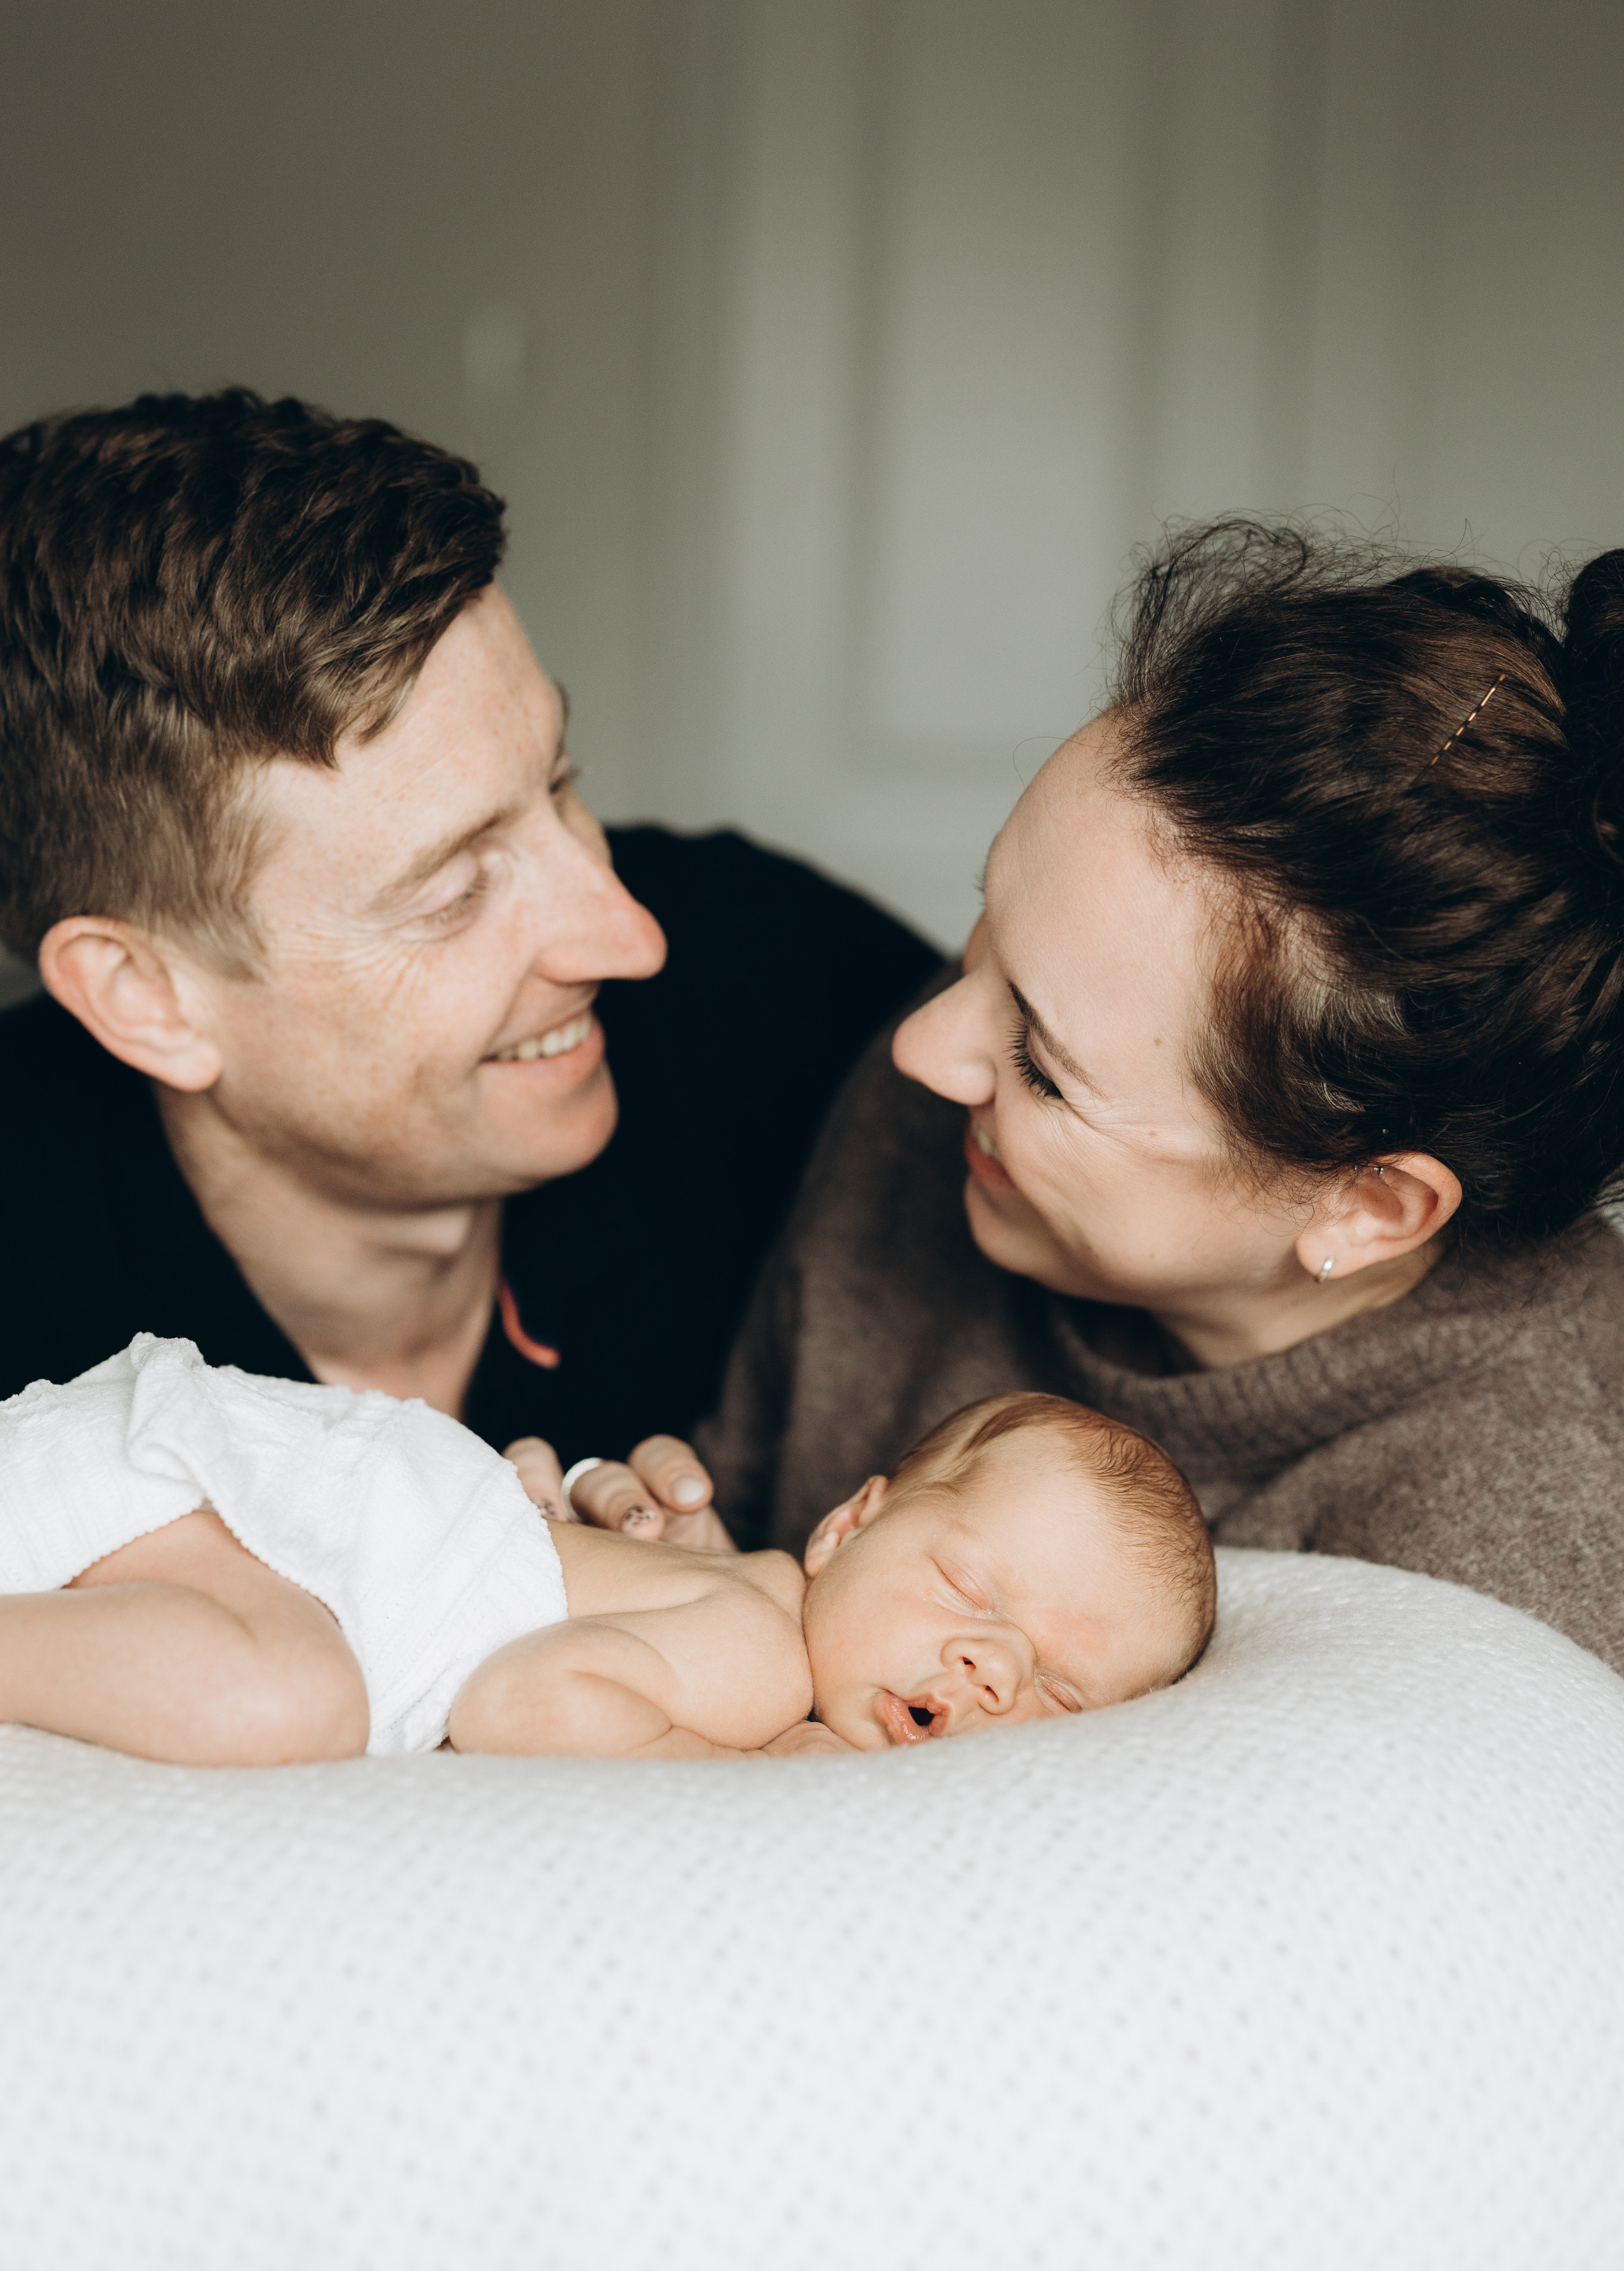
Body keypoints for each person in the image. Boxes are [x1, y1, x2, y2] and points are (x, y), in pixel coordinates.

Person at [0, 391, 940, 1540]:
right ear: (147, 998)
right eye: (453, 889)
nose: (627, 937)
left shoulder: (772, 982)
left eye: (560, 784)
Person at [697, 523, 1624, 1674]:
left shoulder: (1514, 1563)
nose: (924, 1049)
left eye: (1041, 1064)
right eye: (984, 922)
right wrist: (665, 1566)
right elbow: (751, 1539)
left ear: (1367, 1208)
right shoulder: (955, 1110)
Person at [0, 1335, 1214, 1763]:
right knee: (279, 1701)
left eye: (1057, 1689)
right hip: (234, 1500)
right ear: (849, 1526)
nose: (990, 1666)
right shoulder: (760, 1653)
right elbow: (525, 1700)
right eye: (966, 1587)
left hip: (227, 1504)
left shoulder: (734, 1604)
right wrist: (746, 1778)